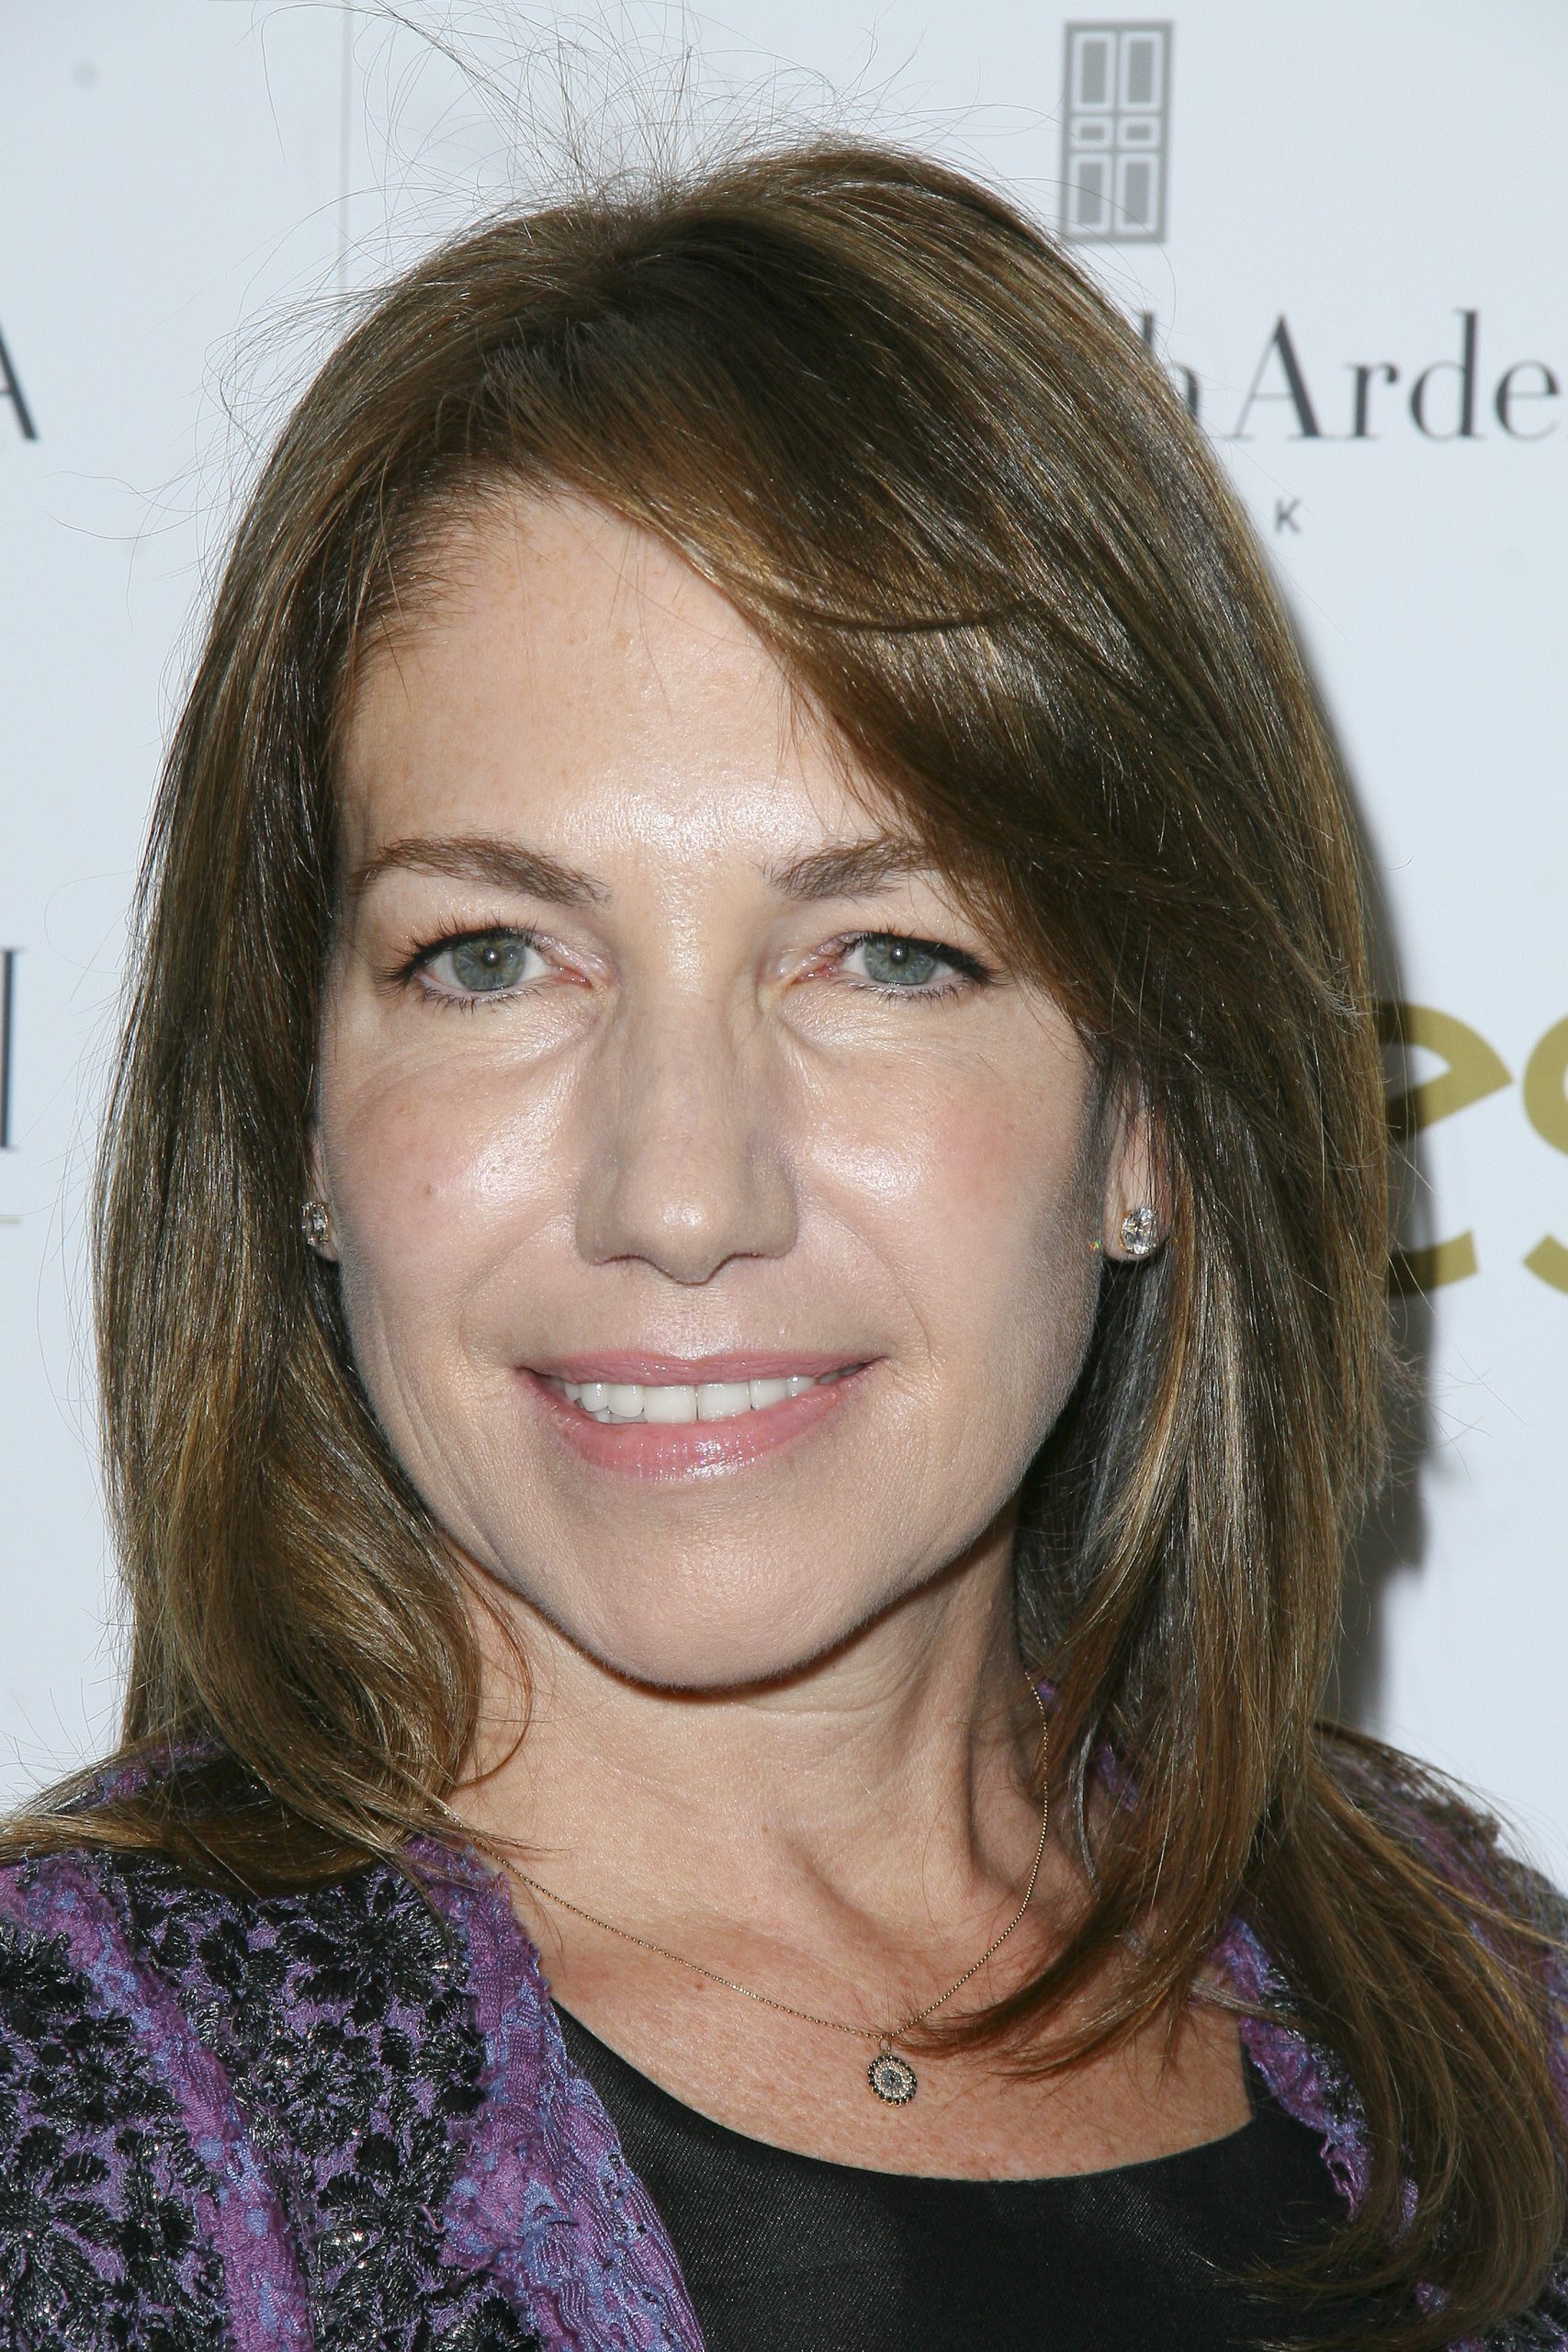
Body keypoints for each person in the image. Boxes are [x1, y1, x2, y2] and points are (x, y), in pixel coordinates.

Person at [0, 137, 1562, 2352]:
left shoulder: (1479, 2015)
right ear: (301, 1118)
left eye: (887, 953)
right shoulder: (69, 2120)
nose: (678, 1193)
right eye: (488, 956)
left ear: (1144, 1114)